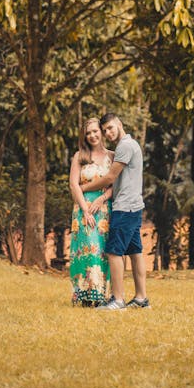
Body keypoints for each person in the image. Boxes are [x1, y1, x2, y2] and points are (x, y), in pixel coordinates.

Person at [80, 112, 150, 310]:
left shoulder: (126, 146)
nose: (108, 133)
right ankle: (141, 299)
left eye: (110, 128)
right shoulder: (128, 145)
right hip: (134, 206)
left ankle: (118, 300)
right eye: (105, 130)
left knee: (113, 252)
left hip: (125, 207)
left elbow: (110, 177)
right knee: (135, 252)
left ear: (119, 124)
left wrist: (83, 188)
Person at [69, 117, 113, 307]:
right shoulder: (80, 156)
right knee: (87, 250)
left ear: (101, 132)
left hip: (104, 209)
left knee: (103, 251)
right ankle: (86, 295)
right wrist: (86, 210)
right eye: (88, 133)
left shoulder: (112, 156)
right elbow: (73, 184)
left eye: (95, 131)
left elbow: (116, 186)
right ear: (84, 136)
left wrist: (102, 198)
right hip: (84, 209)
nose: (93, 135)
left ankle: (102, 294)